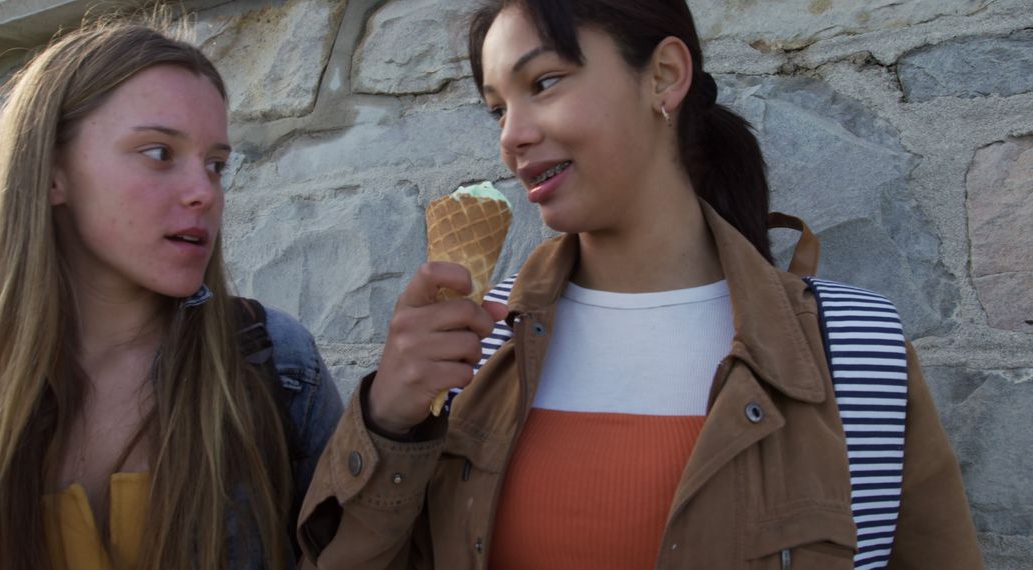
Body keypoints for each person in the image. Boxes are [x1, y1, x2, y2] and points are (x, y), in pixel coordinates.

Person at [297, 1, 984, 569]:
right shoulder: (472, 342)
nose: (512, 135)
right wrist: (389, 420)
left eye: (543, 83)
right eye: (495, 108)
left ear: (663, 76)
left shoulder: (853, 347)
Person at [0, 18, 343, 570]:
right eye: (159, 153)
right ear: (52, 173)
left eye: (216, 165)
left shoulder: (276, 364)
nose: (203, 192)